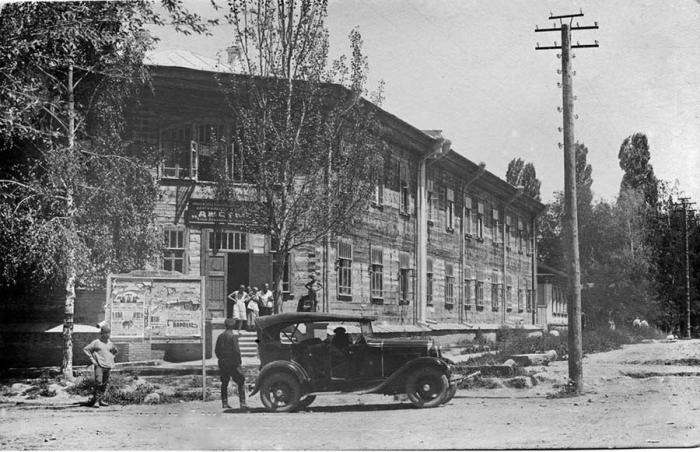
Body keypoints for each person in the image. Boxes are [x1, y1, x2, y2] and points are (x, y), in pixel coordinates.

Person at [215, 318, 248, 412]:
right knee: (241, 381)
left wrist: (221, 358)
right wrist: (239, 362)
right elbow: (237, 351)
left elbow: (216, 351)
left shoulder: (220, 336)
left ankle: (224, 403)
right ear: (233, 326)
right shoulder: (233, 337)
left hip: (222, 362)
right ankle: (242, 403)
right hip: (233, 363)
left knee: (224, 382)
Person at [83, 324, 119, 407]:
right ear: (101, 334)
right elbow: (86, 349)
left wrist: (112, 357)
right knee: (99, 383)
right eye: (105, 333)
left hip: (108, 366)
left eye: (108, 333)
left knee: (104, 384)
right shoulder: (96, 342)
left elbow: (115, 351)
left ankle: (101, 400)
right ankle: (96, 401)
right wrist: (92, 360)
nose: (107, 335)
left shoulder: (110, 343)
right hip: (99, 365)